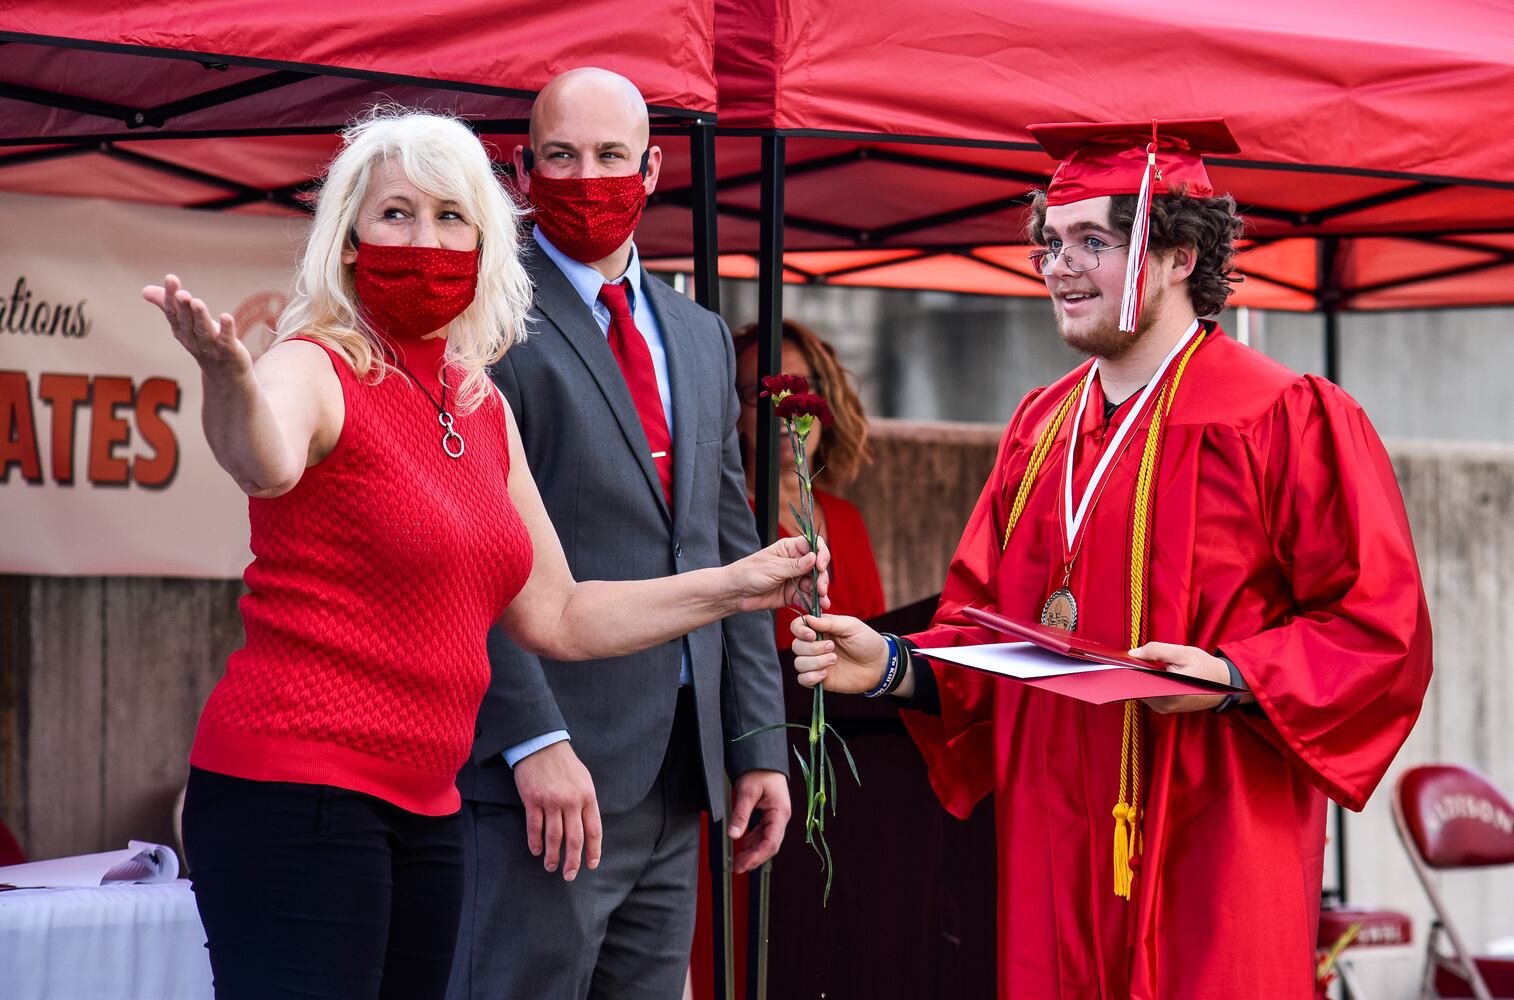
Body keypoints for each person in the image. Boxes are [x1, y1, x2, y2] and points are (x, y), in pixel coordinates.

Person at [143, 107, 824, 1000]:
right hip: (299, 793)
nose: (424, 238)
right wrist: (227, 377)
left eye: (451, 216)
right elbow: (263, 461)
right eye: (396, 214)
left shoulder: (477, 404)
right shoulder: (313, 361)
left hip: (430, 807)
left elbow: (561, 614)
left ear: (486, 244)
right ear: (348, 238)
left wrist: (737, 586)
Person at [789, 118, 1433, 1000]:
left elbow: (1378, 629)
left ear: (1178, 257)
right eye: (1050, 242)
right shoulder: (1037, 430)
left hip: (1212, 831)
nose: (1058, 265)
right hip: (1054, 846)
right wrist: (897, 667)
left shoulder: (1284, 415)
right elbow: (989, 638)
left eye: (1094, 240)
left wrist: (1234, 674)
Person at [448, 69, 792, 1000]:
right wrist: (528, 740)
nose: (585, 177)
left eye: (608, 157)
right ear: (521, 170)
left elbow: (729, 552)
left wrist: (757, 740)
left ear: (653, 168)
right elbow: (465, 552)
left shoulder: (701, 335)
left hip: (683, 774)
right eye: (560, 156)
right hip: (549, 777)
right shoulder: (481, 319)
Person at [735, 319, 886, 643]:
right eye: (760, 393)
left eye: (801, 387)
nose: (785, 408)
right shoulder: (726, 521)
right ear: (735, 415)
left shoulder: (848, 519)